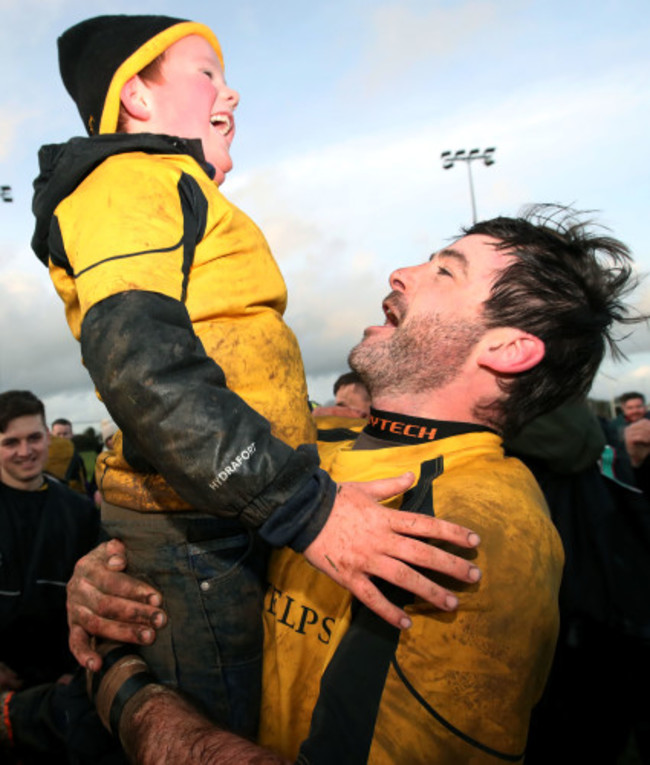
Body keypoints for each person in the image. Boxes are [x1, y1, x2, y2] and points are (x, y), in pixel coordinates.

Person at [31, 14, 479, 736]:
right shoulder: (127, 179)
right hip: (193, 532)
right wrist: (311, 510)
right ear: (136, 100)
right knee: (213, 732)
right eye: (206, 73)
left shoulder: (173, 187)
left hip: (216, 515)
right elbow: (143, 365)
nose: (231, 94)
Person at [69, 205, 639, 763]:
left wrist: (128, 695)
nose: (401, 272)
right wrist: (110, 582)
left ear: (507, 350)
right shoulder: (307, 454)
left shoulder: (483, 527)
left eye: (445, 270)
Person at [0, 391, 99, 763]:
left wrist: (77, 674)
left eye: (33, 438)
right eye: (11, 442)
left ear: (47, 435)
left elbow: (94, 603)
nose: (25, 451)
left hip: (59, 693)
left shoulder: (80, 513)